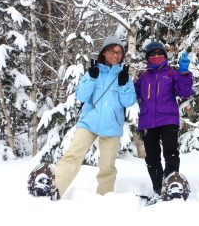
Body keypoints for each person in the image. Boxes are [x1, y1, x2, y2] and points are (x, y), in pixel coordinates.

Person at [53, 35, 137, 199]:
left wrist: (123, 84)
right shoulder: (94, 71)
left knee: (107, 167)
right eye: (112, 51)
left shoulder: (124, 75)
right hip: (89, 123)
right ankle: (55, 189)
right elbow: (82, 96)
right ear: (104, 52)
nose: (115, 55)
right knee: (72, 156)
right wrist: (91, 77)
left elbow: (129, 101)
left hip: (111, 126)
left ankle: (104, 198)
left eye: (119, 52)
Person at [134, 41, 193, 201]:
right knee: (152, 157)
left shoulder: (172, 73)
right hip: (148, 122)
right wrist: (125, 82)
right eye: (152, 54)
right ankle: (159, 188)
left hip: (168, 119)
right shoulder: (143, 76)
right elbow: (133, 95)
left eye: (160, 53)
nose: (156, 56)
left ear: (165, 56)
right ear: (147, 57)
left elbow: (185, 92)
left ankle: (172, 183)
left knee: (170, 152)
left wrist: (183, 73)